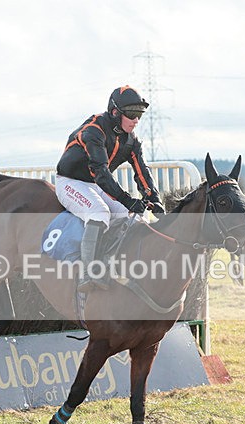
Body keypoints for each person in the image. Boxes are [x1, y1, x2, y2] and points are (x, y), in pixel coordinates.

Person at [56, 85, 165, 292]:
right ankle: (87, 275)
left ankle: (110, 265)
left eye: (140, 115)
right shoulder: (94, 131)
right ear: (115, 113)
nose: (136, 120)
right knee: (99, 213)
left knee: (133, 217)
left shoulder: (132, 141)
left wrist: (154, 198)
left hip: (95, 186)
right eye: (132, 114)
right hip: (70, 182)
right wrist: (127, 199)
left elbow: (142, 171)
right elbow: (102, 173)